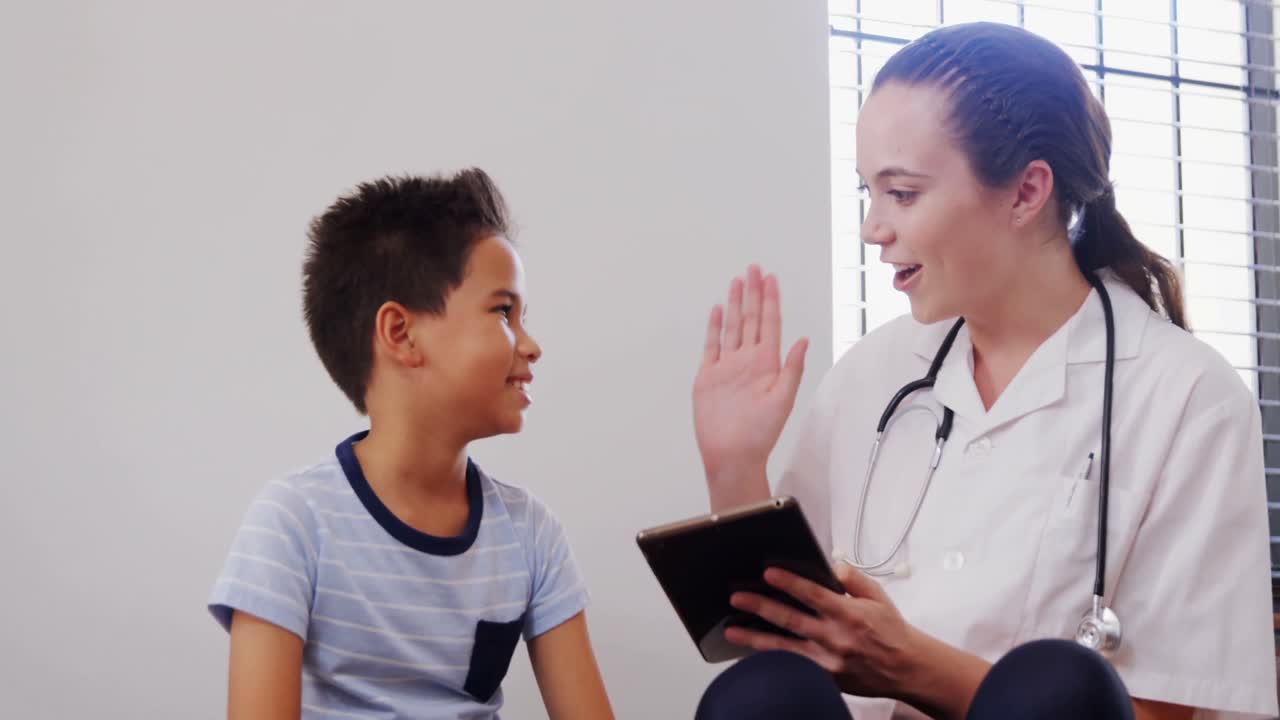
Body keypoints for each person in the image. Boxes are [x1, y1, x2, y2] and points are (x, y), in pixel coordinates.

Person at [690, 23, 1277, 720]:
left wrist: (912, 667)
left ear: (1026, 192)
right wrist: (735, 465)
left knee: (1059, 687)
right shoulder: (873, 375)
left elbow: (1168, 710)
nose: (873, 228)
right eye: (868, 194)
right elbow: (784, 635)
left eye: (902, 194)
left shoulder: (1187, 397)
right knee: (760, 695)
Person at [207, 170, 614, 719]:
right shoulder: (292, 523)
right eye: (502, 312)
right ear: (400, 333)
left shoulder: (530, 535)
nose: (531, 345)